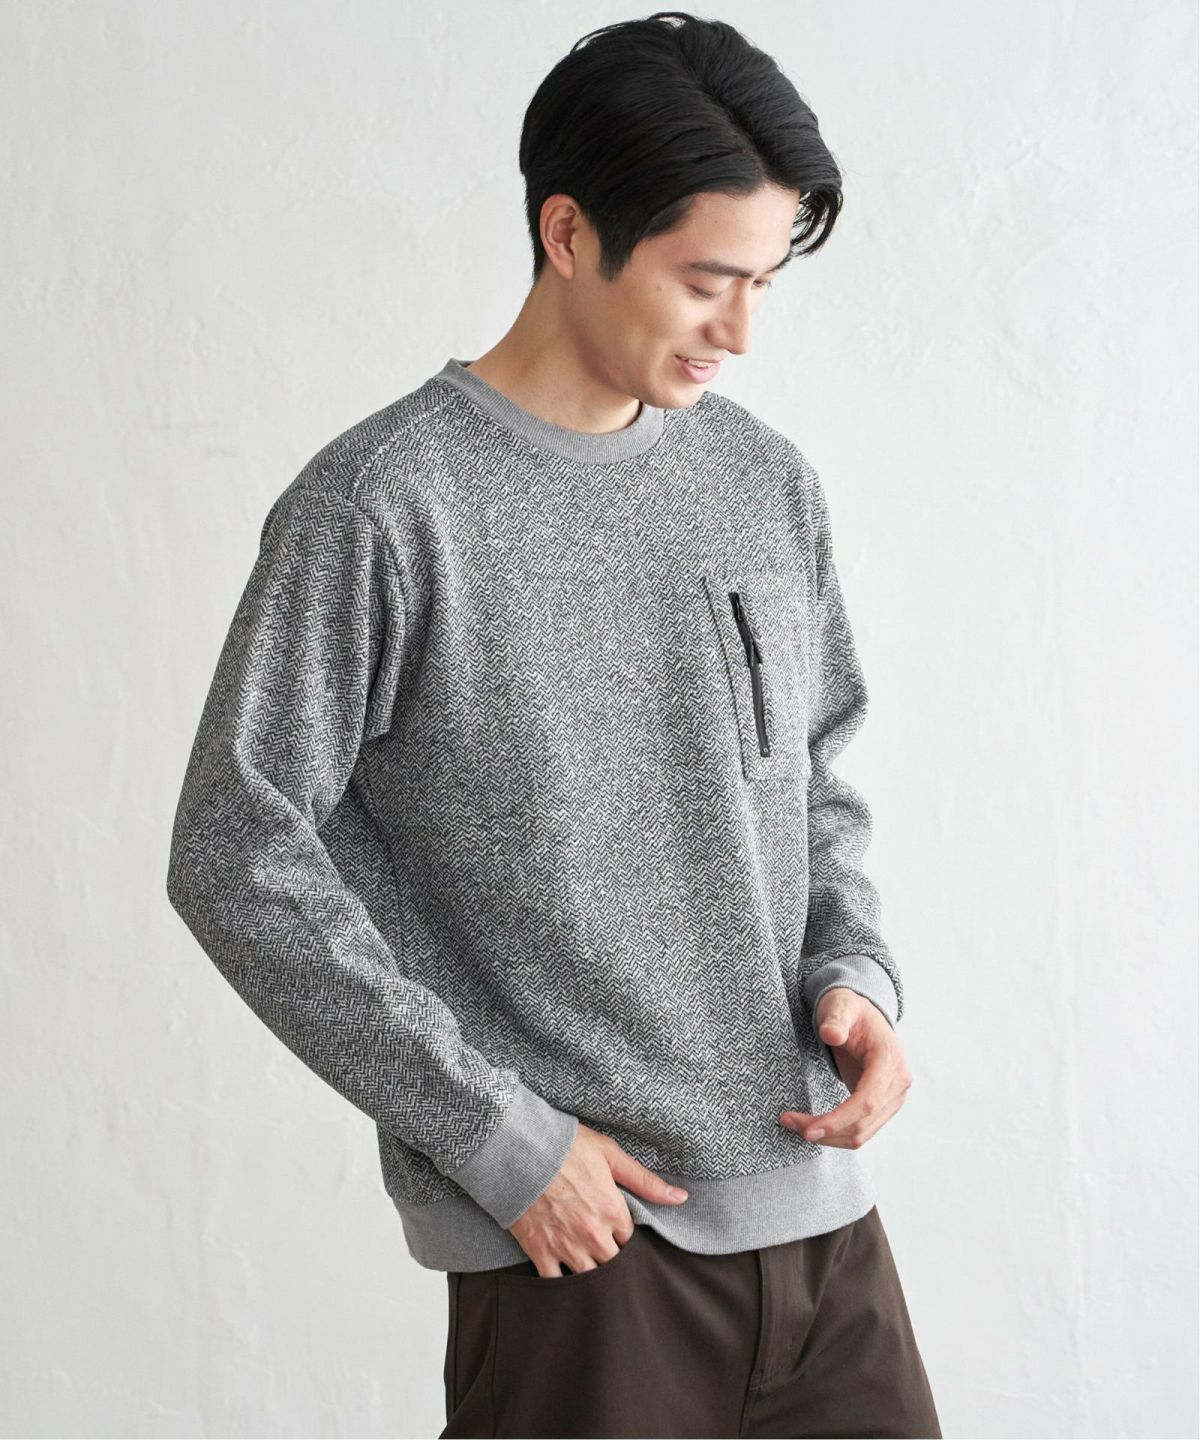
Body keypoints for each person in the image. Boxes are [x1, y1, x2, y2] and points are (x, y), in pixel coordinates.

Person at [166, 10, 941, 1437]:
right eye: (706, 281)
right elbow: (234, 849)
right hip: (584, 1261)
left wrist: (858, 979)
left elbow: (814, 774)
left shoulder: (765, 483)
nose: (742, 331)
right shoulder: (383, 509)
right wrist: (498, 1139)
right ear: (569, 231)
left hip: (822, 1235)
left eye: (766, 283)